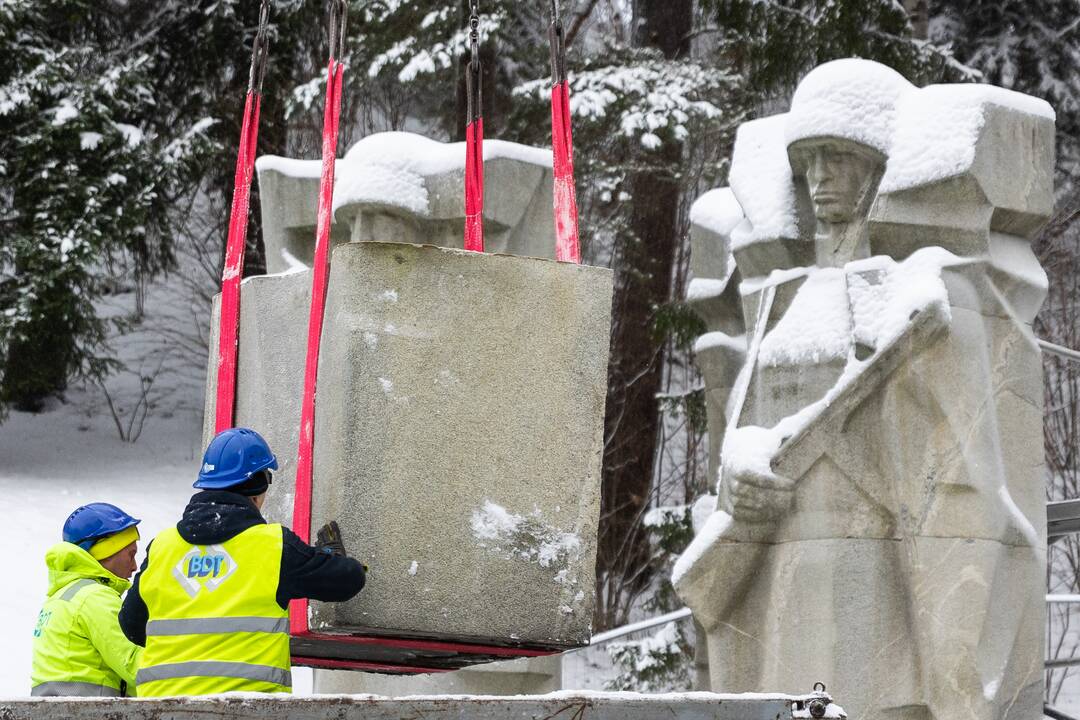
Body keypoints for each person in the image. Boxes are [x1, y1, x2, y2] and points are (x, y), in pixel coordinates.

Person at [119, 427, 366, 697]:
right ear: (257, 486)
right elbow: (347, 580)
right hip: (248, 708)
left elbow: (132, 626)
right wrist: (330, 556)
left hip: (162, 708)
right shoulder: (271, 546)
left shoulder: (163, 548)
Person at [31, 503, 143, 697]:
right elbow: (135, 665)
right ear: (106, 552)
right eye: (130, 555)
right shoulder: (95, 597)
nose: (134, 566)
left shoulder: (62, 595)